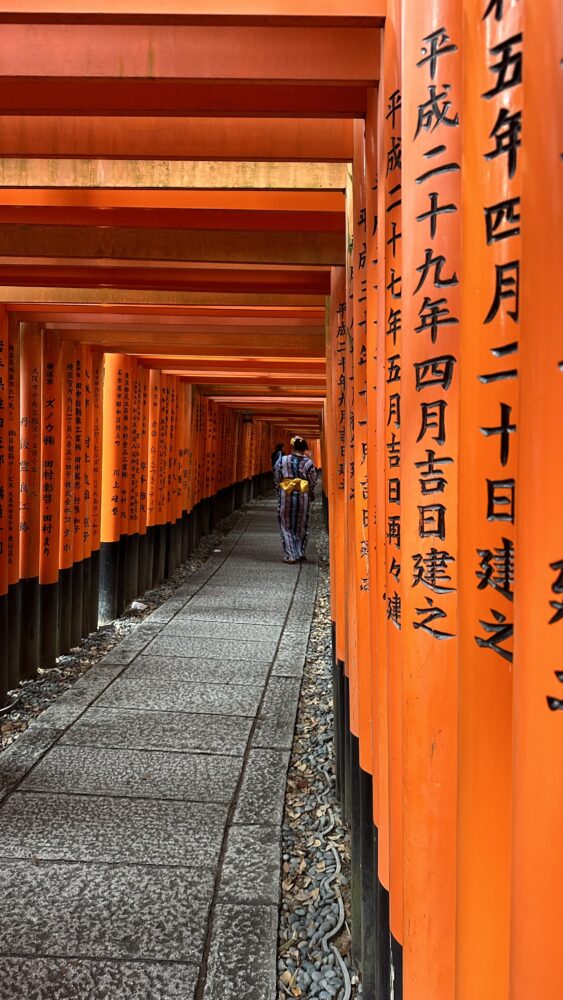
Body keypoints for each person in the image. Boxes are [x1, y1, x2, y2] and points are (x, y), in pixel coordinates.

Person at [274, 435, 318, 563]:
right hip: (302, 494)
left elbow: (277, 474)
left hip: (286, 493)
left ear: (292, 447)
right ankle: (299, 552)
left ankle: (290, 555)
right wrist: (310, 492)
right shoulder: (309, 462)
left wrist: (278, 488)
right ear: (305, 449)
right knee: (301, 523)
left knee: (286, 524)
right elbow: (313, 479)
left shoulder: (283, 460)